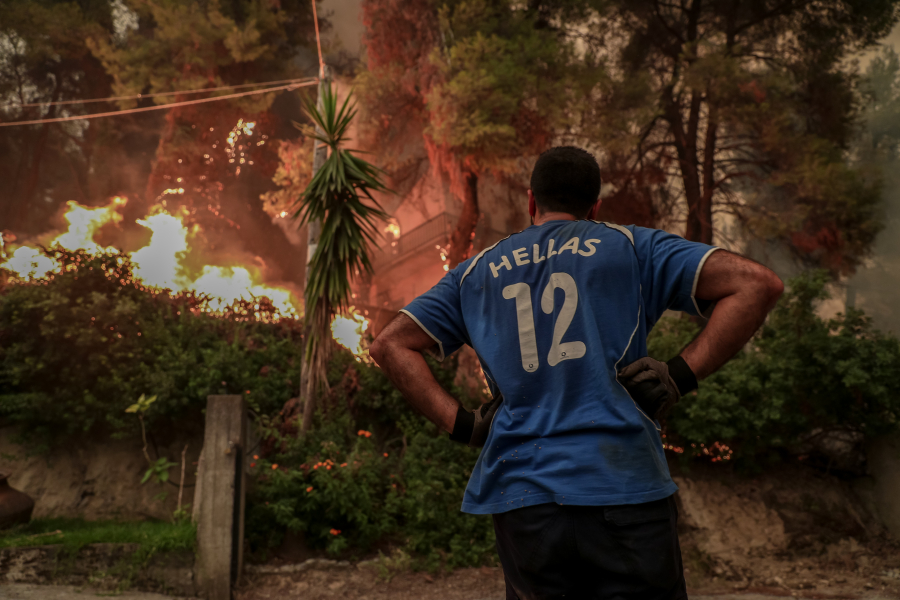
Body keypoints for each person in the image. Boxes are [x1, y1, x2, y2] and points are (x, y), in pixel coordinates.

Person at [369, 146, 783, 600]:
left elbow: (389, 344)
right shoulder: (632, 247)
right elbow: (758, 284)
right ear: (595, 207)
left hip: (524, 502)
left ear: (532, 201)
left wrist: (463, 424)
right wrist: (678, 376)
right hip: (624, 485)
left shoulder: (476, 272)